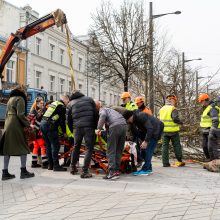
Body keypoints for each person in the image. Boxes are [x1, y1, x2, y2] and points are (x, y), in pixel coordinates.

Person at [0, 85, 35, 180]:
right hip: (16, 124)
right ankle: (23, 171)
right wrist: (29, 124)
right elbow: (20, 114)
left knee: (7, 148)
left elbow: (7, 113)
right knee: (23, 146)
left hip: (8, 123)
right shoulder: (20, 98)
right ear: (22, 91)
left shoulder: (10, 99)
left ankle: (5, 172)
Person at [67, 90, 97, 178]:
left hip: (77, 128)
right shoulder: (89, 99)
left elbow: (68, 119)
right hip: (89, 127)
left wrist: (72, 129)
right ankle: (84, 171)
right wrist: (95, 126)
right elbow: (95, 114)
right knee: (89, 148)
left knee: (76, 147)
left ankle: (72, 168)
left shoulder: (70, 103)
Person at [123, 110, 164, 176]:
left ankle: (145, 170)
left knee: (148, 150)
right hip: (149, 131)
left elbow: (150, 128)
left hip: (156, 130)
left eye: (127, 120)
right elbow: (137, 132)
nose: (127, 121)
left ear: (131, 117)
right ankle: (149, 168)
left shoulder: (141, 116)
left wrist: (146, 141)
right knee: (143, 150)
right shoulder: (134, 120)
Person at [96, 101, 127, 180]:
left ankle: (112, 172)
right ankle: (116, 171)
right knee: (118, 150)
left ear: (97, 107)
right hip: (124, 126)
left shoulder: (102, 110)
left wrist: (98, 129)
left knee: (111, 150)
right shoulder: (111, 111)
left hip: (115, 126)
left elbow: (103, 115)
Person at [40, 95, 69, 171]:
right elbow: (62, 121)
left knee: (48, 146)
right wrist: (64, 132)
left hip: (43, 124)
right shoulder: (61, 106)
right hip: (50, 126)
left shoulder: (54, 103)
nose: (68, 103)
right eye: (68, 102)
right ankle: (56, 166)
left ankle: (50, 165)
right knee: (55, 145)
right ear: (65, 100)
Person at [159, 95, 185, 167]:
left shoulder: (162, 109)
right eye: (174, 101)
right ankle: (179, 160)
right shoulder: (173, 109)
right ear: (172, 100)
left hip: (164, 131)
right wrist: (181, 122)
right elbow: (175, 119)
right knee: (176, 145)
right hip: (173, 131)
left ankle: (165, 163)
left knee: (165, 147)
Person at [29, 97, 48, 168]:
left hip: (33, 132)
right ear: (37, 103)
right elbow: (38, 120)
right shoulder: (37, 111)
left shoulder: (32, 110)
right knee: (43, 146)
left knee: (36, 147)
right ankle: (45, 163)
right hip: (37, 132)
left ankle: (34, 163)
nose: (42, 105)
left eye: (43, 103)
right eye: (41, 103)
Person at [198, 93, 212, 160]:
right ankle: (208, 158)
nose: (201, 103)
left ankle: (212, 159)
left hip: (210, 130)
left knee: (210, 147)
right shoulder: (205, 108)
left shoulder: (211, 108)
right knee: (204, 146)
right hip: (204, 131)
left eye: (201, 102)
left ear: (205, 100)